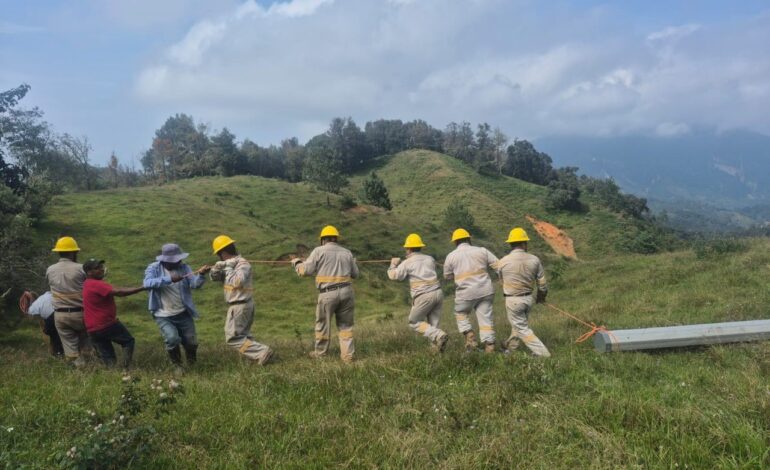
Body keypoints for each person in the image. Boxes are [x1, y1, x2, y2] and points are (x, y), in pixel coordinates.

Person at [292, 225, 359, 363]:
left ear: (323, 239)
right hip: (347, 292)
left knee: (323, 324)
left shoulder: (318, 251)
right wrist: (353, 263)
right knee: (345, 327)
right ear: (336, 239)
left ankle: (320, 353)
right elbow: (355, 274)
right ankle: (348, 357)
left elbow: (305, 271)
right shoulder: (347, 252)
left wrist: (297, 263)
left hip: (328, 294)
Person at [143, 243, 209, 373]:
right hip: (163, 314)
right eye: (175, 260)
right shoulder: (154, 268)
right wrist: (169, 279)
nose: (178, 262)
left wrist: (201, 275)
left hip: (183, 312)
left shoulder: (184, 268)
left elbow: (194, 284)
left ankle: (192, 366)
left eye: (179, 259)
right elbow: (147, 283)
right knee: (172, 339)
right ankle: (177, 366)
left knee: (191, 342)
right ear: (165, 260)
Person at [209, 235, 274, 365]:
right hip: (239, 305)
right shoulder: (229, 264)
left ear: (223, 253)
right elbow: (216, 278)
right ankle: (255, 358)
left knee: (232, 338)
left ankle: (262, 352)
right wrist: (215, 270)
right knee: (244, 336)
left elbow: (236, 282)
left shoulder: (242, 264)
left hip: (240, 305)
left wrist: (229, 268)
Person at [492, 228, 551, 357]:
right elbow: (542, 284)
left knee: (522, 328)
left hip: (513, 300)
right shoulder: (535, 260)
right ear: (524, 243)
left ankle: (543, 354)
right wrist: (541, 297)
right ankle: (511, 348)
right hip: (528, 299)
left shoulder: (502, 262)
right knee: (519, 325)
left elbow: (502, 281)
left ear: (510, 244)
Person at [387, 233, 449, 352]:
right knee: (433, 325)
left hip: (423, 295)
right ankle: (437, 351)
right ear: (420, 246)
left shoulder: (407, 262)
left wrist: (393, 264)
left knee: (414, 321)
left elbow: (394, 276)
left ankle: (439, 335)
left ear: (408, 248)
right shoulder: (430, 259)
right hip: (438, 293)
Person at [443, 228, 499, 353]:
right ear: (469, 239)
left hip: (466, 294)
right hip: (485, 291)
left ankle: (469, 335)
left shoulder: (451, 256)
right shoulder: (482, 250)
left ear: (455, 242)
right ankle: (490, 346)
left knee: (460, 312)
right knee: (485, 318)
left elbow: (447, 277)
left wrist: (456, 273)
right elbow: (498, 266)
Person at [82, 259, 146, 369]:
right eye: (97, 268)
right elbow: (119, 292)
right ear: (89, 272)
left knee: (108, 357)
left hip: (92, 329)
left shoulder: (87, 283)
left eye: (101, 267)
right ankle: (124, 368)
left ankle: (113, 373)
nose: (102, 269)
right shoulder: (96, 284)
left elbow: (116, 289)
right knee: (128, 341)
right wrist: (142, 288)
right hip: (105, 324)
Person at [46, 236, 90, 366]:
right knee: (86, 344)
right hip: (80, 314)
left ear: (58, 252)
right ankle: (89, 367)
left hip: (60, 315)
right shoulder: (81, 268)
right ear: (72, 252)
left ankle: (77, 368)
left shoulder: (50, 269)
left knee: (70, 350)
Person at [24, 291, 64, 357]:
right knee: (56, 331)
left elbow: (30, 316)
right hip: (63, 311)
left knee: (50, 331)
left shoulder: (35, 305)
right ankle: (57, 351)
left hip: (53, 316)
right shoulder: (46, 295)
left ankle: (58, 352)